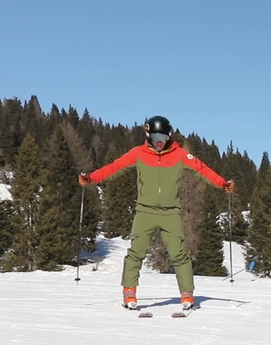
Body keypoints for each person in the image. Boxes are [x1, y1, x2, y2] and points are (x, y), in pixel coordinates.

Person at [79, 115, 234, 310]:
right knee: (136, 252)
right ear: (148, 135)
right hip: (145, 211)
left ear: (169, 135)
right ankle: (129, 291)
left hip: (171, 213)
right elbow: (114, 167)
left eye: (162, 137)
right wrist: (91, 178)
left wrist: (223, 184)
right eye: (154, 137)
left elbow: (202, 169)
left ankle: (187, 293)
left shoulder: (179, 155)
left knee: (179, 254)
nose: (159, 141)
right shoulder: (138, 153)